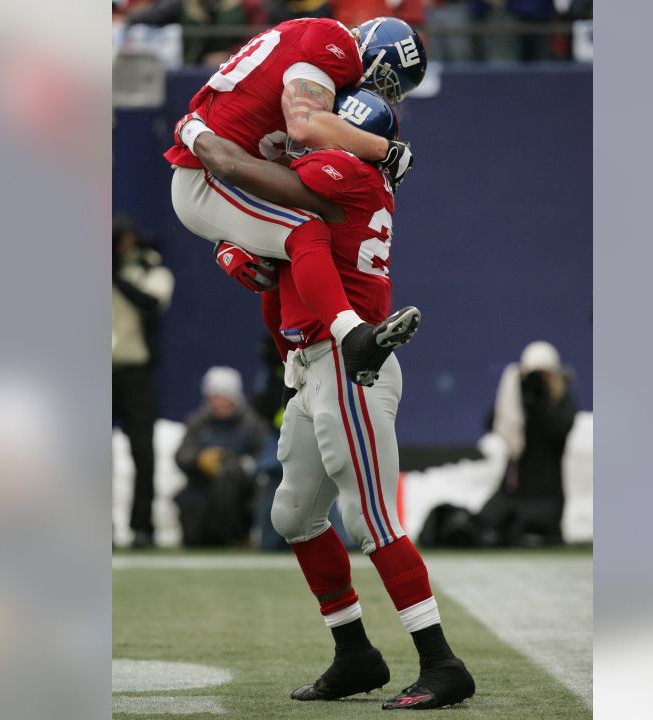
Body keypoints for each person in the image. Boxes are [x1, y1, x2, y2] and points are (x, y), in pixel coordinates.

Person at [189, 88, 476, 710]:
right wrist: (236, 251)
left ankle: (442, 663)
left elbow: (253, 190)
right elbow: (273, 234)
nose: (302, 130)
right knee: (293, 516)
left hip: (351, 365)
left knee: (370, 518)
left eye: (318, 125)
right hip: (310, 363)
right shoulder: (333, 179)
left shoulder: (343, 169)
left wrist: (206, 155)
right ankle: (355, 654)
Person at [166, 17, 426, 388]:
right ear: (374, 53)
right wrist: (385, 150)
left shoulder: (311, 40)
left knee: (282, 259)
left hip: (223, 164)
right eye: (385, 81)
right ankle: (351, 335)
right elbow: (304, 126)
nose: (379, 93)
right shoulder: (336, 47)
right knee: (304, 230)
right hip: (211, 170)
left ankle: (290, 369)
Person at [112, 215, 175, 548]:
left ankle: (142, 527)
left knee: (142, 450)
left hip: (136, 371)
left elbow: (152, 303)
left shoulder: (151, 270)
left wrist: (116, 276)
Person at [479, 340, 578, 546]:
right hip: (513, 493)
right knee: (485, 524)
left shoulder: (563, 403)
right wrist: (517, 396)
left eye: (544, 375)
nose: (538, 381)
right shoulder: (518, 401)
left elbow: (558, 431)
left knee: (527, 529)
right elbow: (493, 423)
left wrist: (539, 401)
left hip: (545, 499)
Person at [174, 366, 271, 546]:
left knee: (228, 480)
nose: (219, 402)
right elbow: (182, 455)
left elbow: (263, 457)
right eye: (215, 397)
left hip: (240, 490)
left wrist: (234, 465)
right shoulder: (197, 422)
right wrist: (200, 460)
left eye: (225, 396)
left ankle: (238, 536)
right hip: (202, 486)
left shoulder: (252, 424)